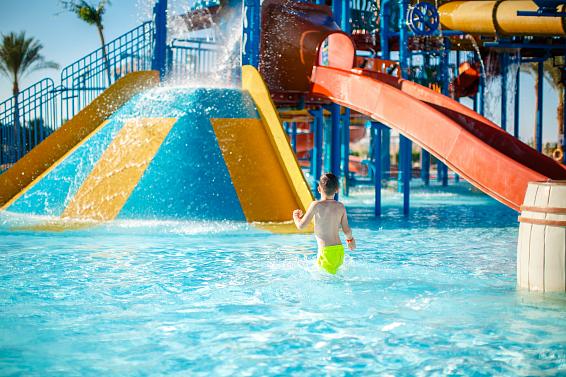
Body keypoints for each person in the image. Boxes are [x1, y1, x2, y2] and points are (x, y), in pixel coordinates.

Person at [292, 173, 356, 274]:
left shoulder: (316, 205)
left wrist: (295, 217)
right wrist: (350, 240)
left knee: (322, 279)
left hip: (326, 252)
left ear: (319, 189)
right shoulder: (341, 206)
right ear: (337, 190)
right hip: (339, 251)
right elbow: (346, 230)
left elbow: (301, 226)